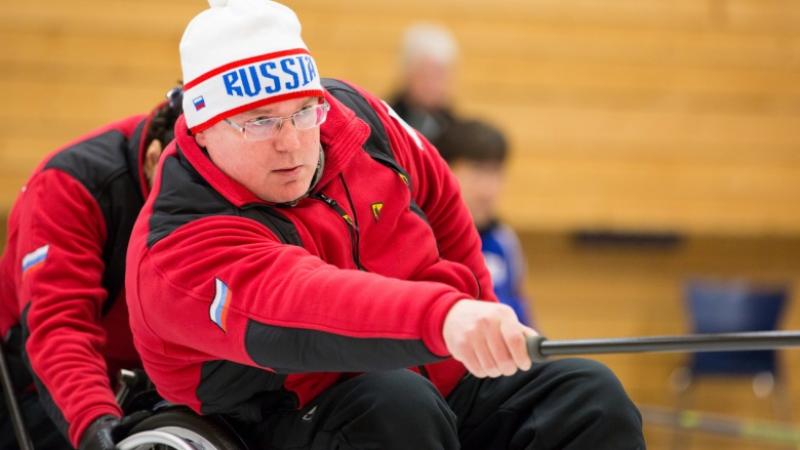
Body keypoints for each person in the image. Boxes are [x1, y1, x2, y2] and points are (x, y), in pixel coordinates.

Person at [126, 1, 645, 449]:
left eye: (303, 112)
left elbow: (439, 193)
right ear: (204, 126)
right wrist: (444, 318)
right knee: (395, 404)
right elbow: (308, 302)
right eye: (260, 122)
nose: (291, 141)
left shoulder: (354, 116)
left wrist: (480, 314)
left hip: (430, 377)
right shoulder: (179, 243)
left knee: (586, 395)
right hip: (282, 412)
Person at [0, 86, 182, 450]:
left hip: (155, 382)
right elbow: (58, 329)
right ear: (152, 157)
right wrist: (96, 426)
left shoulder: (245, 171)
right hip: (38, 383)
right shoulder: (70, 185)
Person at [435, 119, 533, 326]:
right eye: (477, 171)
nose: (489, 189)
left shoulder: (504, 240)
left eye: (496, 172)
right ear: (444, 171)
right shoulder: (422, 240)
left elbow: (522, 318)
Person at [388, 23, 458, 143]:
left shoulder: (454, 128)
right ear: (408, 74)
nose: (433, 85)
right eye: (426, 76)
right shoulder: (387, 120)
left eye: (439, 76)